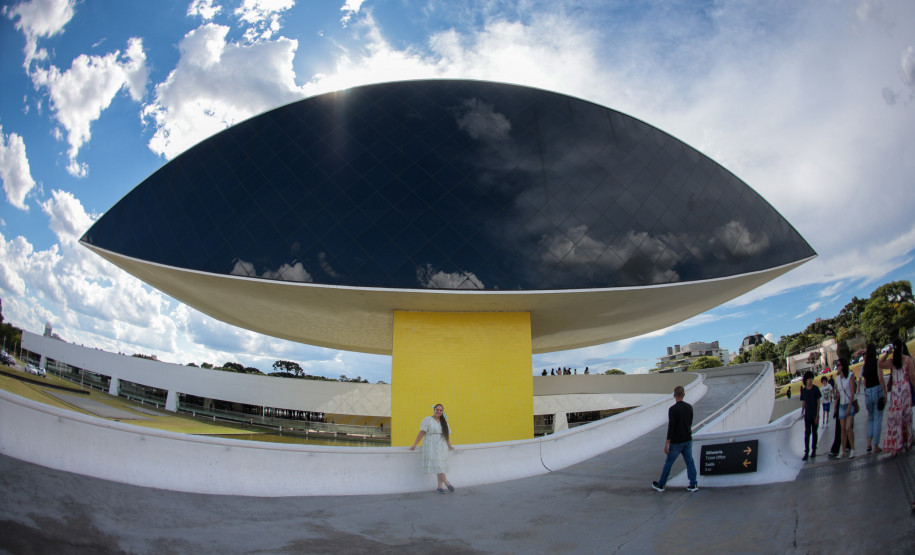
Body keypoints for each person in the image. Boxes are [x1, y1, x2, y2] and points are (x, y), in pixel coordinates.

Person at [652, 386, 698, 492]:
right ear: (684, 395)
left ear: (674, 395)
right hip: (687, 439)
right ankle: (693, 484)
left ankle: (661, 485)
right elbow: (689, 422)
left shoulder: (673, 409)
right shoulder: (689, 407)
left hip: (676, 442)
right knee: (690, 462)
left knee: (669, 463)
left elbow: (671, 427)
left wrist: (667, 443)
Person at [879, 338, 915, 457]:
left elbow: (880, 363)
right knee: (907, 416)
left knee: (895, 418)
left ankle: (896, 442)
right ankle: (907, 440)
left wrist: (887, 353)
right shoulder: (907, 359)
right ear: (902, 347)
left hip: (895, 392)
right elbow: (912, 376)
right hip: (905, 390)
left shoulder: (891, 362)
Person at [410, 404, 455, 493]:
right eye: (437, 409)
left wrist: (449, 446)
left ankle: (439, 487)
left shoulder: (444, 422)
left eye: (441, 410)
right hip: (431, 446)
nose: (439, 411)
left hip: (441, 446)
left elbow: (446, 436)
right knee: (438, 464)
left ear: (442, 412)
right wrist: (415, 444)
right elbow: (422, 432)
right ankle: (446, 482)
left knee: (439, 465)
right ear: (434, 410)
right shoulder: (427, 419)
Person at [861, 343, 887, 454]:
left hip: (868, 392)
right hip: (877, 390)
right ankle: (876, 445)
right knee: (878, 419)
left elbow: (865, 382)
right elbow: (881, 378)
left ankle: (868, 444)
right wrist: (885, 393)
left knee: (870, 418)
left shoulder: (865, 366)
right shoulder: (877, 363)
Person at [835, 357, 857, 458]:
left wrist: (849, 407)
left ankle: (852, 449)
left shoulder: (850, 376)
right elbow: (838, 392)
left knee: (848, 428)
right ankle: (843, 451)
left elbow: (852, 392)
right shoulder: (837, 378)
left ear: (843, 366)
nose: (837, 367)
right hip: (841, 405)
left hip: (849, 403)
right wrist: (836, 397)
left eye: (838, 365)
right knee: (842, 429)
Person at [799, 370, 821, 461]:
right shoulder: (803, 391)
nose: (810, 380)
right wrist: (802, 411)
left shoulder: (815, 389)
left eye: (811, 378)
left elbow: (818, 403)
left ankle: (814, 450)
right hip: (807, 416)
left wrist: (817, 415)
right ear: (806, 380)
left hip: (814, 415)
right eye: (809, 379)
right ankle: (806, 452)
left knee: (814, 433)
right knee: (807, 433)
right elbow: (804, 402)